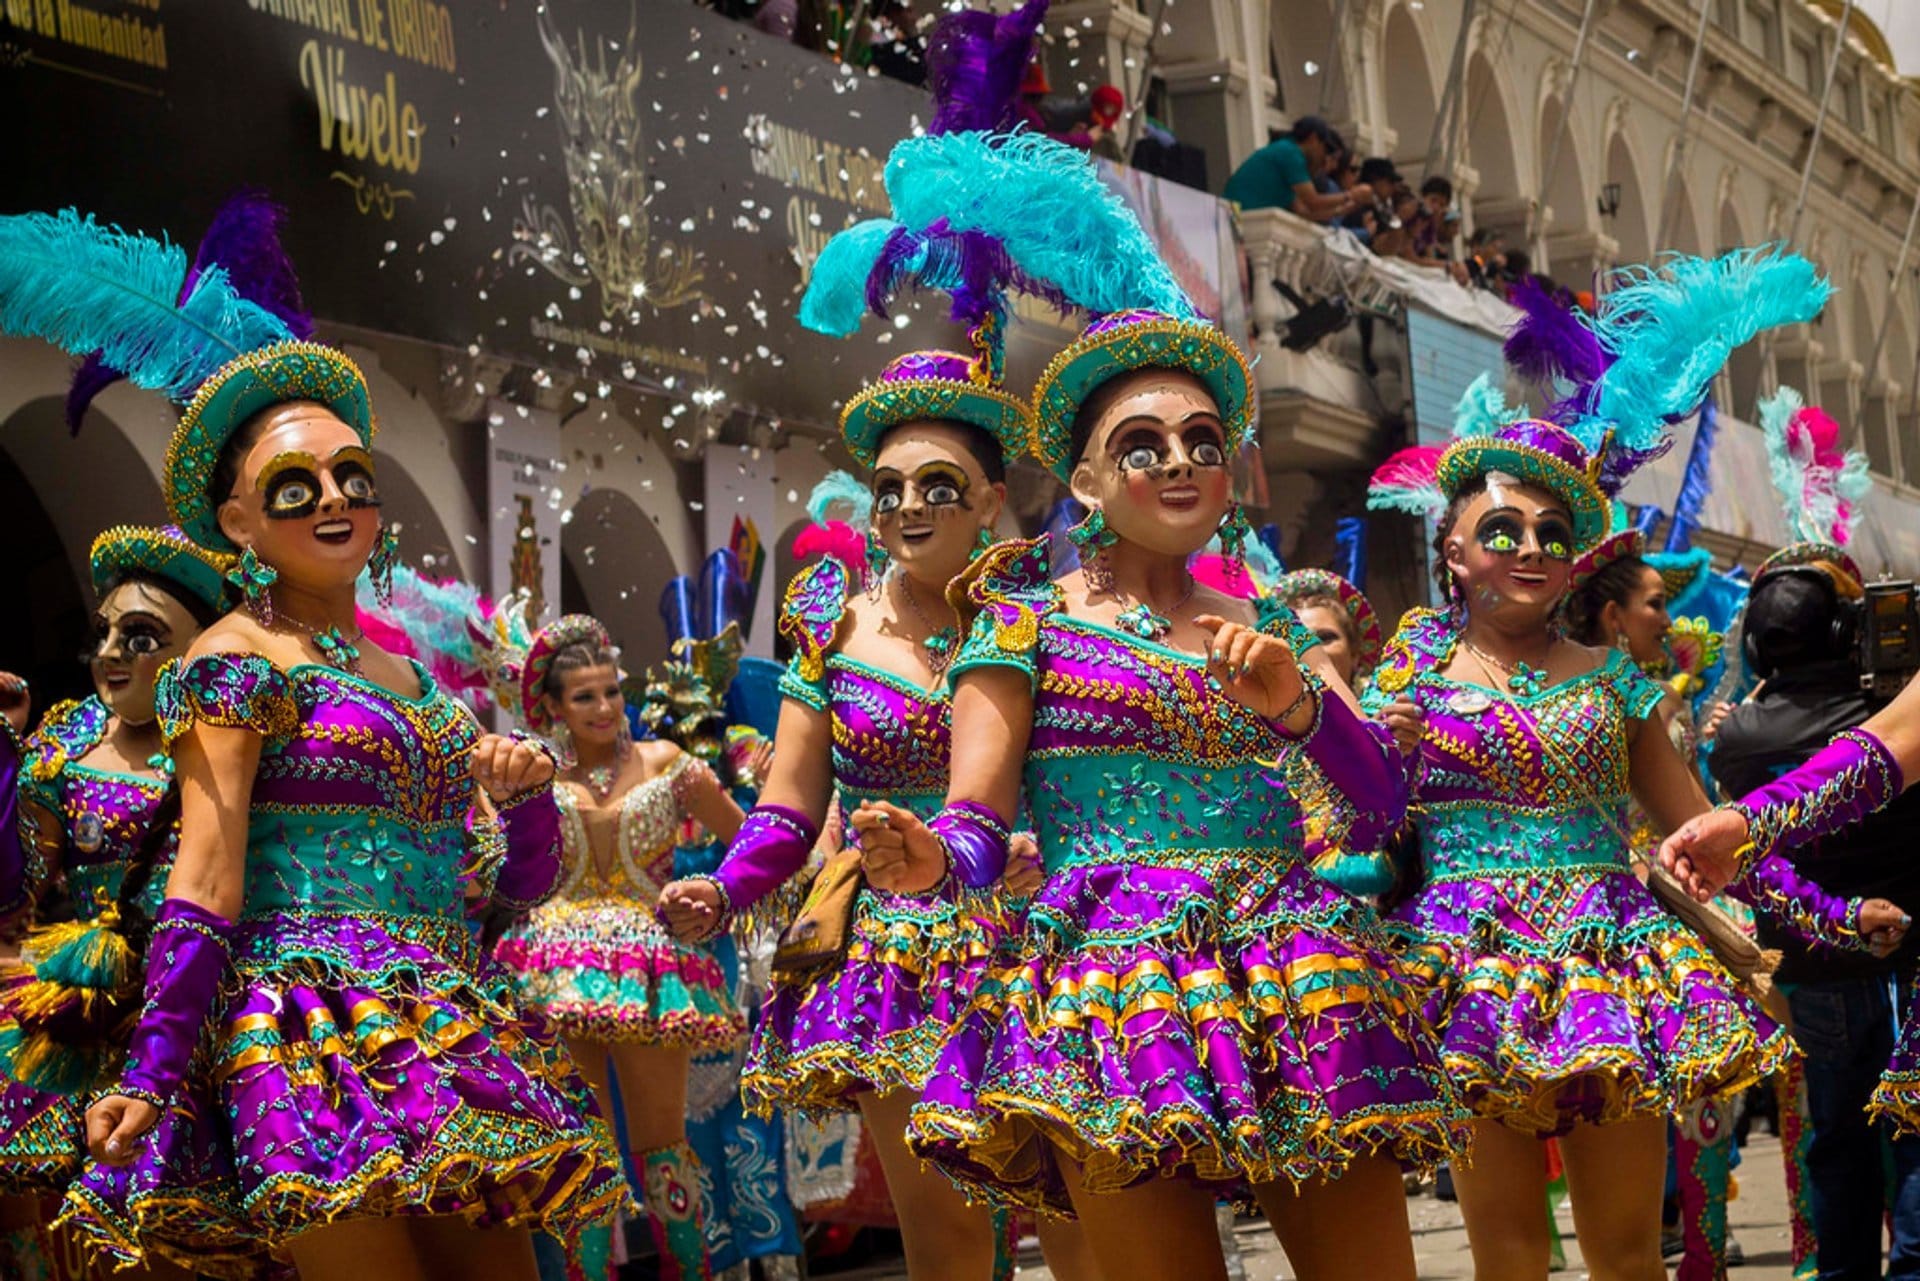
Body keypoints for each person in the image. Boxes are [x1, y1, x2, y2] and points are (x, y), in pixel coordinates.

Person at [852, 124, 1468, 1280]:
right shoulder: (1021, 624)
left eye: (1202, 440)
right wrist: (931, 864)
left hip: (1300, 975)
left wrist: (1299, 710)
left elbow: (1386, 807)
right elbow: (978, 821)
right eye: (1144, 445)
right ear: (1085, 480)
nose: (1181, 462)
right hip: (1111, 986)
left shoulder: (1271, 621)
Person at [0, 203, 632, 1276]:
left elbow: (502, 898)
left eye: (352, 478)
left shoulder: (415, 685)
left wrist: (526, 806)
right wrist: (152, 1075)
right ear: (237, 523)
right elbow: (203, 880)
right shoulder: (230, 665)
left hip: (449, 1021)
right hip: (305, 1040)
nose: (334, 498)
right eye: (295, 488)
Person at [492, 613, 749, 1281]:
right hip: (551, 972)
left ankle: (688, 1273)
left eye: (611, 690)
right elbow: (499, 866)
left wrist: (707, 891)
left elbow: (749, 844)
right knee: (582, 1147)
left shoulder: (669, 761)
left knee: (664, 1143)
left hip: (653, 969)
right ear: (550, 705)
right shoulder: (532, 770)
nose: (604, 707)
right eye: (584, 696)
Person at [0, 526, 229, 1270]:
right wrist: (4, 759)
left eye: (142, 635)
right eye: (105, 631)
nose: (110, 653)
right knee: (70, 1225)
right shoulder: (65, 747)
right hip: (78, 1023)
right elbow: (16, 889)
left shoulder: (232, 752)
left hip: (198, 1012)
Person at [1706, 557, 1920, 1280]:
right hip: (1906, 964)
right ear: (1845, 630)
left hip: (1815, 976)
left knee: (1837, 1142)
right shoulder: (1882, 717)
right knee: (1915, 1137)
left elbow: (1753, 854)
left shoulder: (1736, 741)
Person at [1222, 116, 1373, 224]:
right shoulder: (1290, 153)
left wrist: (1342, 211)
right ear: (1313, 139)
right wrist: (1351, 195)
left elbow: (1303, 212)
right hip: (1239, 218)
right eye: (1326, 150)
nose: (1324, 159)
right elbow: (1313, 201)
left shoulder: (1290, 158)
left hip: (1241, 218)